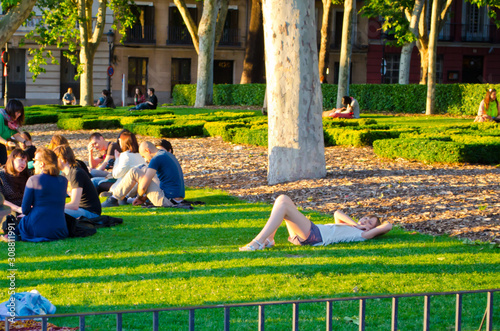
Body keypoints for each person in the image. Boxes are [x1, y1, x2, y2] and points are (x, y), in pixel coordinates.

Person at [239, 195, 393, 251]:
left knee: (284, 204)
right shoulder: (353, 226)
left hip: (315, 236)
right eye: (366, 218)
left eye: (370, 222)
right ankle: (269, 239)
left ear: (373, 229)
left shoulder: (363, 234)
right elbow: (337, 213)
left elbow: (389, 225)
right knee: (282, 199)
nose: (365, 220)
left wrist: (370, 228)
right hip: (308, 234)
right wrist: (356, 223)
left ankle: (257, 242)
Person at [101, 141, 184, 208]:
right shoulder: (166, 154)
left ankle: (114, 199)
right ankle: (124, 197)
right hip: (175, 198)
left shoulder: (156, 158)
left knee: (135, 171)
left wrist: (140, 197)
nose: (145, 159)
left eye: (144, 156)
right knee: (143, 168)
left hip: (166, 200)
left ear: (147, 151)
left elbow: (143, 186)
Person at [16, 148, 69, 242]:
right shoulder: (63, 180)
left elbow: (25, 209)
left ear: (42, 164)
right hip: (60, 229)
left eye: (35, 160)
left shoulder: (33, 179)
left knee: (18, 221)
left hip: (38, 228)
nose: (33, 163)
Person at [54, 145, 101, 219]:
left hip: (90, 212)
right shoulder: (63, 175)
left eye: (55, 159)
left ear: (62, 159)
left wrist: (53, 207)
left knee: (54, 211)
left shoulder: (76, 173)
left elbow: (74, 205)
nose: (53, 162)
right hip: (79, 210)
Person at [99, 131, 145, 199]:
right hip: (137, 187)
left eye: (120, 141)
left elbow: (116, 175)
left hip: (125, 190)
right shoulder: (140, 155)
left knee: (98, 183)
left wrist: (117, 159)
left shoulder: (126, 155)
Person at [0, 100, 32, 165]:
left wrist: (25, 142)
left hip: (2, 145)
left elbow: (16, 135)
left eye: (20, 112)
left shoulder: (12, 122)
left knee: (5, 165)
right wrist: (6, 143)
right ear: (11, 110)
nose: (19, 114)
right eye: (17, 112)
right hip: (3, 143)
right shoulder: (1, 117)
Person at [0, 149, 30, 215]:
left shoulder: (26, 174)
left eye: (25, 161)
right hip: (9, 211)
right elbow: (1, 199)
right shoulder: (1, 176)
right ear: (12, 159)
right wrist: (17, 209)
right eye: (21, 160)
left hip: (26, 208)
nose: (24, 164)